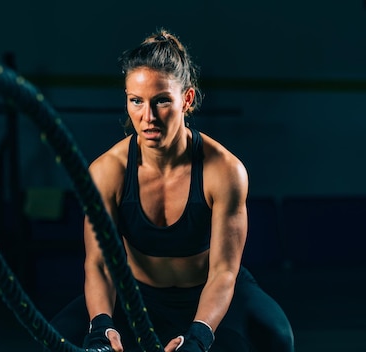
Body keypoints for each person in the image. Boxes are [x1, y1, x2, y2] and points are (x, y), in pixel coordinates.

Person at [48, 28, 294, 352]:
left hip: (207, 290)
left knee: (276, 336)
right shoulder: (107, 172)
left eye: (161, 101)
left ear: (186, 100)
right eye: (135, 101)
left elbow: (223, 272)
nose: (147, 117)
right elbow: (99, 263)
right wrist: (101, 326)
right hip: (136, 293)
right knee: (58, 337)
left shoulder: (224, 172)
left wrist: (200, 336)